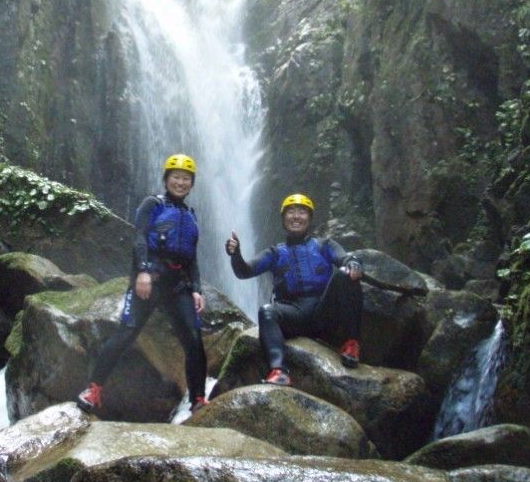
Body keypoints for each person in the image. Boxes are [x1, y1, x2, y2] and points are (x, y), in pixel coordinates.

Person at [77, 154, 209, 413]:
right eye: (176, 177)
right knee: (127, 332)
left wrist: (197, 289)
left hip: (177, 285)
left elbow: (191, 257)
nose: (180, 183)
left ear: (191, 184)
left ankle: (198, 399)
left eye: (186, 179)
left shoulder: (191, 215)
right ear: (166, 179)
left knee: (194, 340)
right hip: (151, 279)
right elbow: (139, 238)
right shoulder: (153, 204)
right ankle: (94, 389)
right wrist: (143, 272)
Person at [225, 193, 364, 386]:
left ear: (309, 218)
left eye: (302, 212)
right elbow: (244, 271)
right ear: (283, 219)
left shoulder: (324, 245)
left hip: (325, 311)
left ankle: (351, 343)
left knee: (345, 274)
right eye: (291, 212)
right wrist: (235, 255)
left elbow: (345, 258)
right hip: (294, 314)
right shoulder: (275, 253)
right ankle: (279, 370)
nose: (296, 216)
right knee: (267, 311)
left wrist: (353, 263)